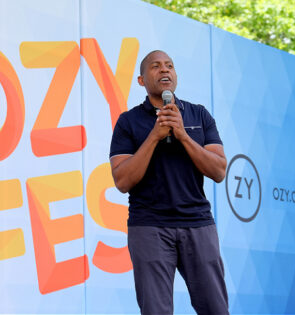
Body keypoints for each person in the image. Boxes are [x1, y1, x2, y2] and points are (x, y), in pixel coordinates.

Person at [109, 50, 229, 315]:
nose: (164, 70)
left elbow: (219, 171)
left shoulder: (199, 115)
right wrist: (154, 136)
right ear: (141, 80)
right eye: (155, 66)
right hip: (149, 226)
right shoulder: (128, 122)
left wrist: (183, 136)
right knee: (156, 311)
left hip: (198, 223)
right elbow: (122, 180)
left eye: (169, 66)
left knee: (216, 308)